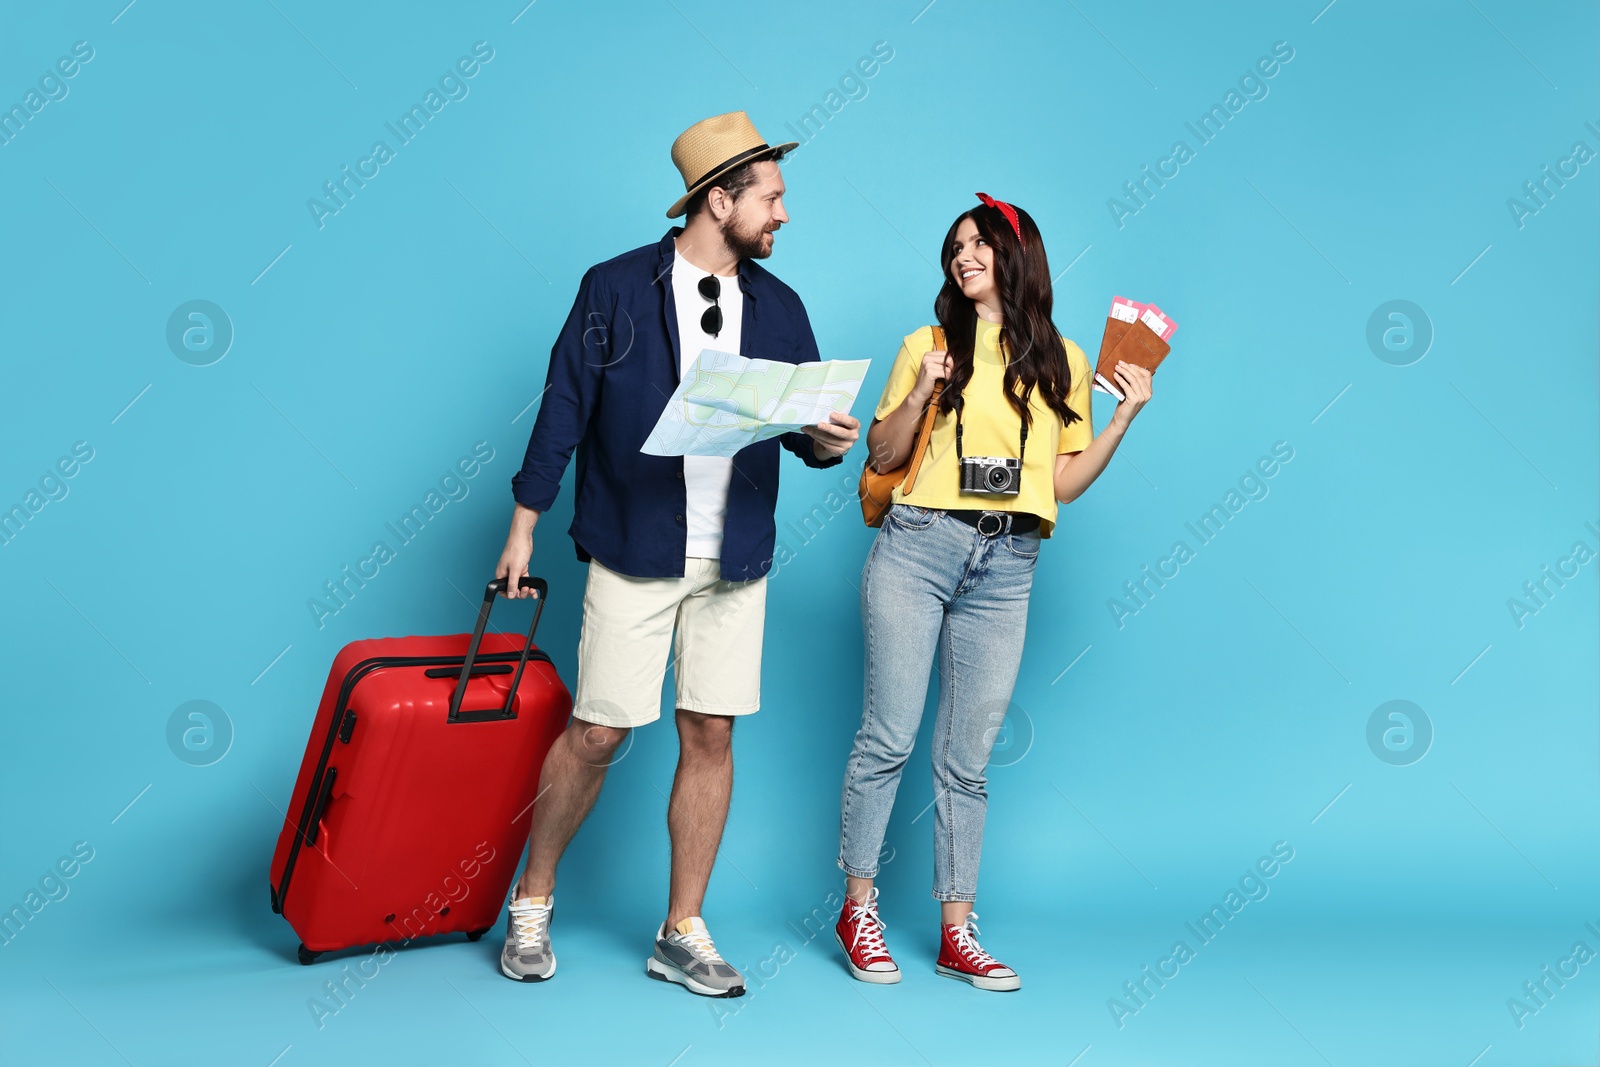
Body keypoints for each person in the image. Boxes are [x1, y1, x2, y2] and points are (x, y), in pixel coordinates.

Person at [494, 111, 860, 995]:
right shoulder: (615, 288)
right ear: (718, 199)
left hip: (734, 552)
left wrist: (827, 440)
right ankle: (532, 898)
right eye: (771, 199)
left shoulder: (782, 306)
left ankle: (681, 928)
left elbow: (799, 428)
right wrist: (524, 522)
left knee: (711, 731)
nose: (783, 216)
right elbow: (563, 407)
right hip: (634, 544)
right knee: (598, 729)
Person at [833, 193, 1154, 991]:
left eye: (978, 243)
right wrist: (919, 391)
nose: (963, 256)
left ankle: (956, 931)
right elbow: (879, 450)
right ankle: (858, 908)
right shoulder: (929, 342)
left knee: (967, 759)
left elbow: (1064, 482)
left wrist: (1123, 420)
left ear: (1017, 257)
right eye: (955, 247)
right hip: (919, 546)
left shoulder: (1068, 362)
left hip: (1009, 564)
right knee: (889, 737)